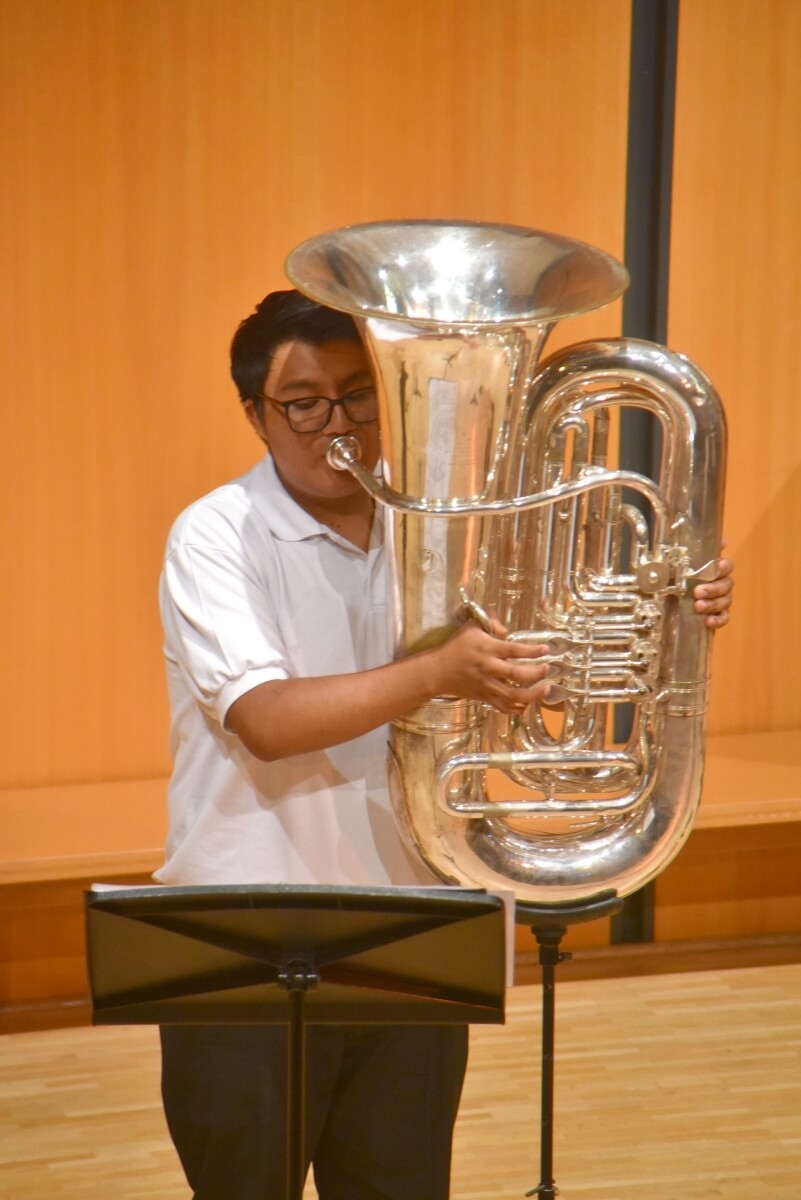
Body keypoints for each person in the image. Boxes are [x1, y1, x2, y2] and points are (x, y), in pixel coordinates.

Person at [156, 290, 734, 1200]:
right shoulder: (217, 533)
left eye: (359, 394)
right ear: (256, 416)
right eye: (303, 403)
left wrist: (667, 604)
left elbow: (534, 668)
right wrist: (435, 672)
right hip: (251, 934)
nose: (337, 423)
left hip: (414, 924)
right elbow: (265, 721)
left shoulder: (446, 532)